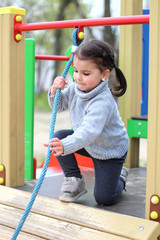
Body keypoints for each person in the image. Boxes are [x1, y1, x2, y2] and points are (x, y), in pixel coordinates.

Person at [45, 39, 129, 205]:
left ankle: (120, 177)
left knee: (105, 198)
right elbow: (59, 105)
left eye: (86, 73)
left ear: (104, 75)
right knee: (59, 137)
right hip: (90, 145)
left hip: (109, 151)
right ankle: (74, 180)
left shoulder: (102, 102)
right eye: (76, 71)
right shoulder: (77, 88)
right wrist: (55, 90)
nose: (78, 77)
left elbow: (88, 132)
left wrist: (66, 146)